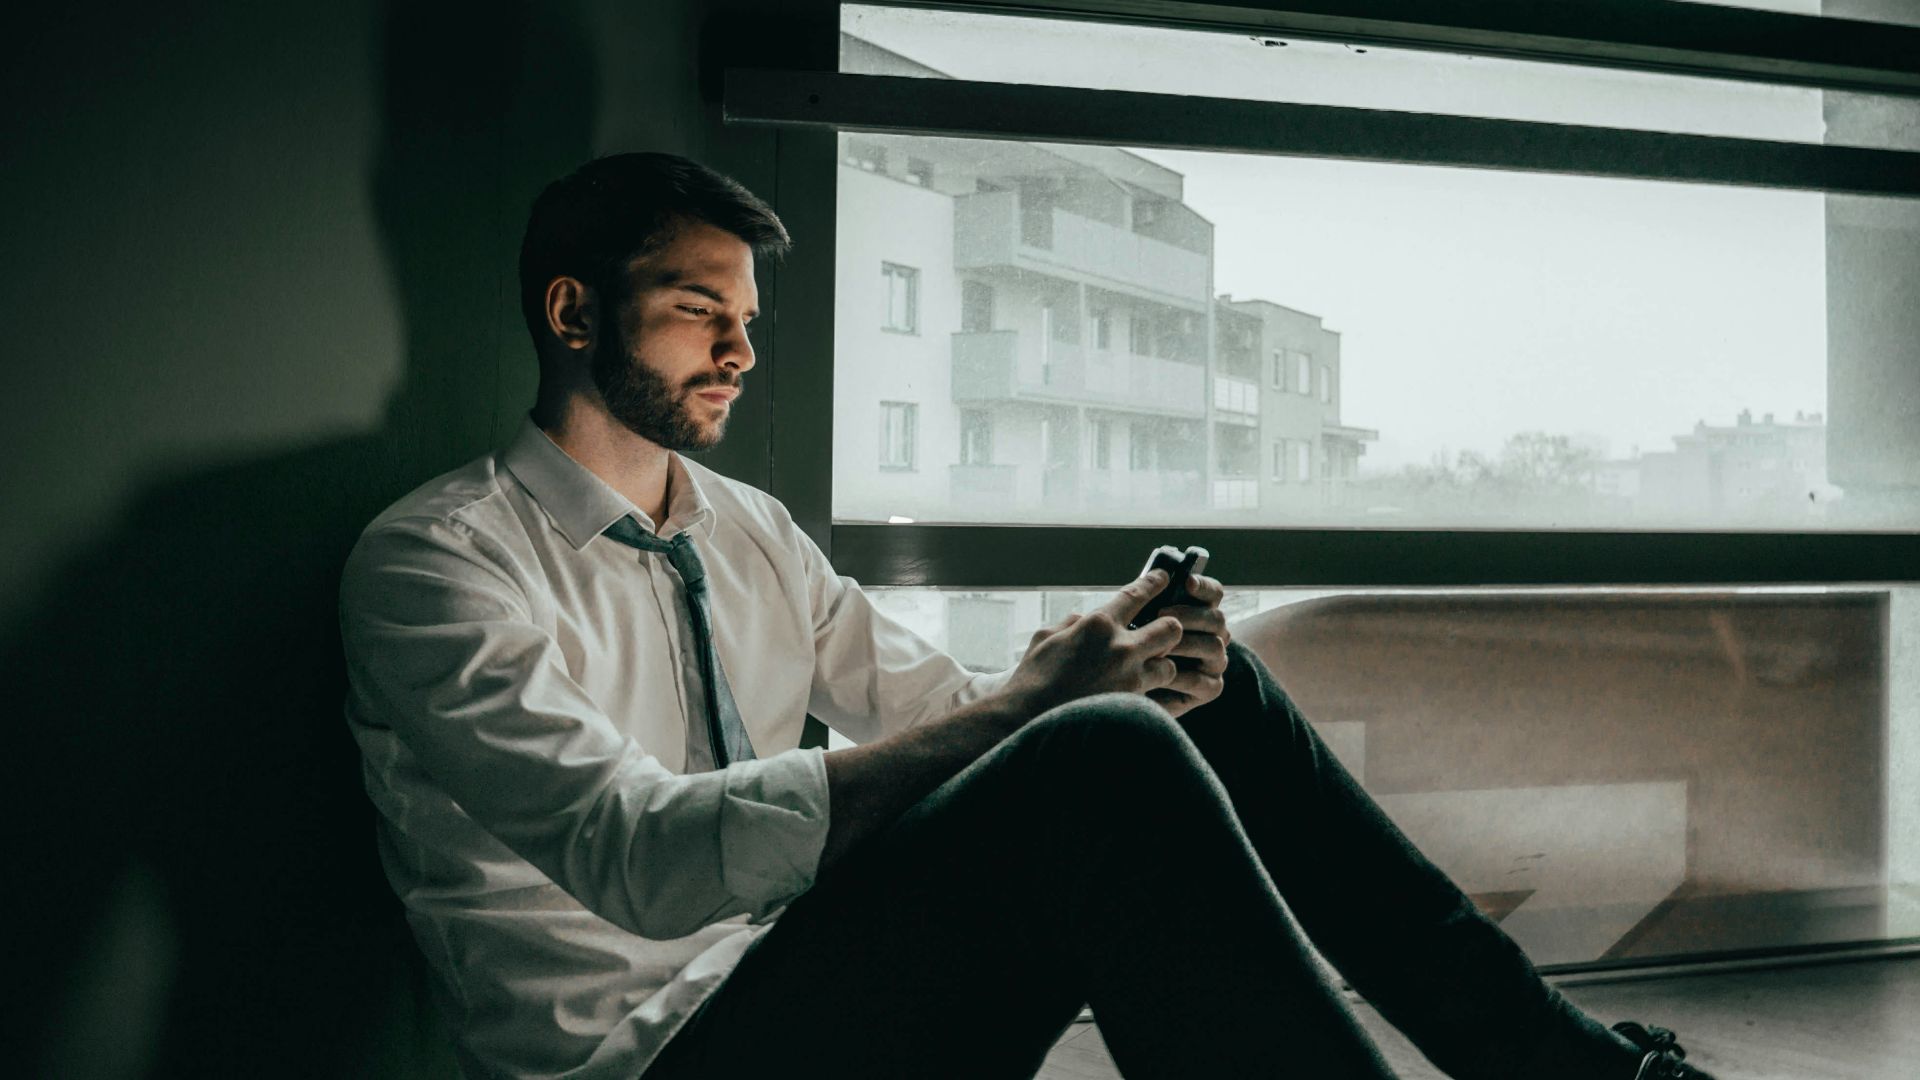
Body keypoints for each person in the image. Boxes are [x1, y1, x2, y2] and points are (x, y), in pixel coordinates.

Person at [338, 152, 1714, 1080]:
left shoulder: (745, 527)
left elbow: (941, 711)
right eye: (700, 310)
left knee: (1189, 689)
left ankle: (1574, 1074)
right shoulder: (435, 565)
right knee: (1101, 751)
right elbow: (634, 856)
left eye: (749, 315)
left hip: (826, 983)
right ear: (574, 313)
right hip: (655, 1060)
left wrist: (1112, 654)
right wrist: (1051, 707)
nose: (743, 350)